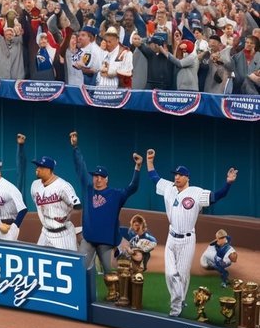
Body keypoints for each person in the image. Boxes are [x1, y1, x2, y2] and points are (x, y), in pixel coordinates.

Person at [146, 150, 236, 316]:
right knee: (170, 273)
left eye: (180, 175)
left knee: (182, 275)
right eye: (175, 174)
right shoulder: (169, 188)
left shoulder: (196, 192)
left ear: (187, 177)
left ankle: (176, 308)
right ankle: (178, 303)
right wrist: (149, 161)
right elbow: (154, 177)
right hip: (171, 238)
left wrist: (228, 183)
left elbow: (217, 196)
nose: (177, 177)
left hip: (187, 240)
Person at [71, 132, 140, 275]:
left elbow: (133, 187)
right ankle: (82, 297)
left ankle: (115, 296)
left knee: (110, 273)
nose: (98, 179)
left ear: (106, 179)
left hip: (106, 242)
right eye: (96, 176)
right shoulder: (88, 189)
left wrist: (138, 167)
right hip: (88, 239)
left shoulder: (116, 194)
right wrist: (75, 147)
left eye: (101, 177)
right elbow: (81, 168)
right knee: (80, 270)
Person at [30, 155, 82, 252]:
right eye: (37, 166)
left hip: (63, 233)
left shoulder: (63, 186)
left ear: (49, 170)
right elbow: (38, 204)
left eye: (41, 167)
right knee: (37, 261)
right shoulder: (35, 185)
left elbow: (78, 206)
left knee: (69, 263)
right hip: (45, 232)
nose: (37, 169)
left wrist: (65, 216)